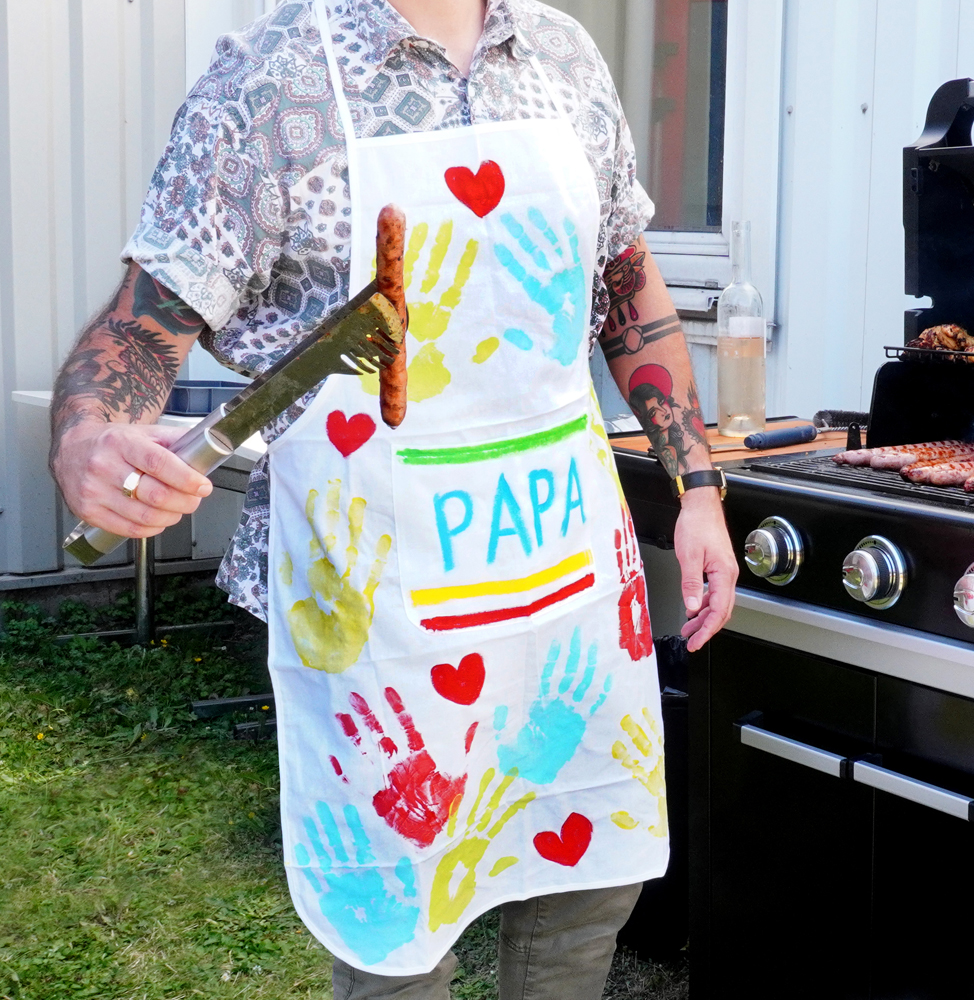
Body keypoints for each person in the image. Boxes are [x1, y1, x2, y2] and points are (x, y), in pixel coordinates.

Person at [48, 1, 738, 996]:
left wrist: (699, 489)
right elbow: (142, 327)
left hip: (565, 577)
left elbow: (626, 284)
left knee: (586, 885)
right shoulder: (273, 77)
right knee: (397, 921)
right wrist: (85, 437)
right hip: (385, 609)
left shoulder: (567, 54)